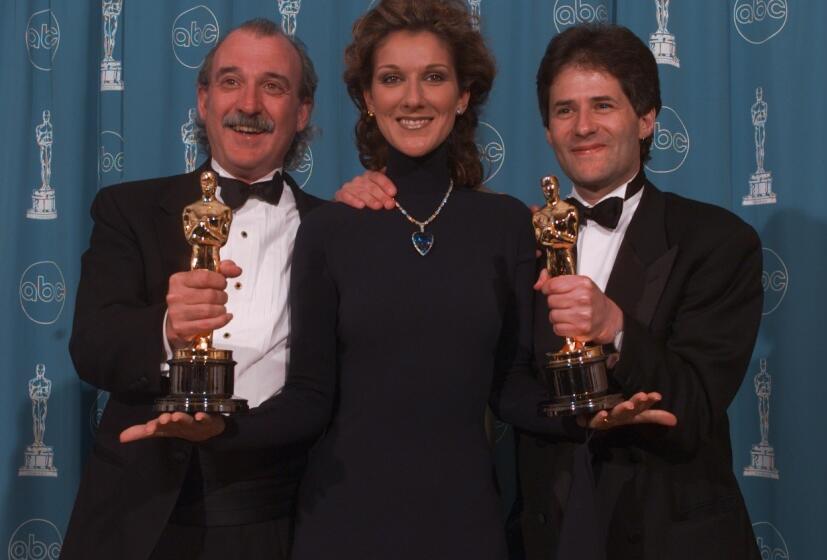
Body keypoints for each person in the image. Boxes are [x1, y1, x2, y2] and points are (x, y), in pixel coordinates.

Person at [121, 3, 673, 560]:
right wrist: (219, 429)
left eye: (434, 77)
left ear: (462, 96)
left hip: (466, 526)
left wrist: (588, 416)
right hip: (340, 527)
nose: (413, 98)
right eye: (391, 79)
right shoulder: (329, 230)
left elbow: (511, 386)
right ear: (367, 97)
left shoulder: (507, 225)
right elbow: (310, 399)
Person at [61, 19, 323, 560]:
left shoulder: (340, 230)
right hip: (139, 512)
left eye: (273, 86)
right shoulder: (127, 210)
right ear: (203, 99)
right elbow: (91, 347)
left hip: (273, 512)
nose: (248, 104)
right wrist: (165, 328)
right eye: (230, 82)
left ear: (302, 112)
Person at [519, 25, 763, 559]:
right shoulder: (520, 240)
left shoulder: (718, 242)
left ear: (646, 118)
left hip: (671, 534)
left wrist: (616, 328)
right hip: (550, 529)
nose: (583, 127)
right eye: (564, 110)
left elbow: (697, 405)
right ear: (546, 129)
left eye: (602, 105)